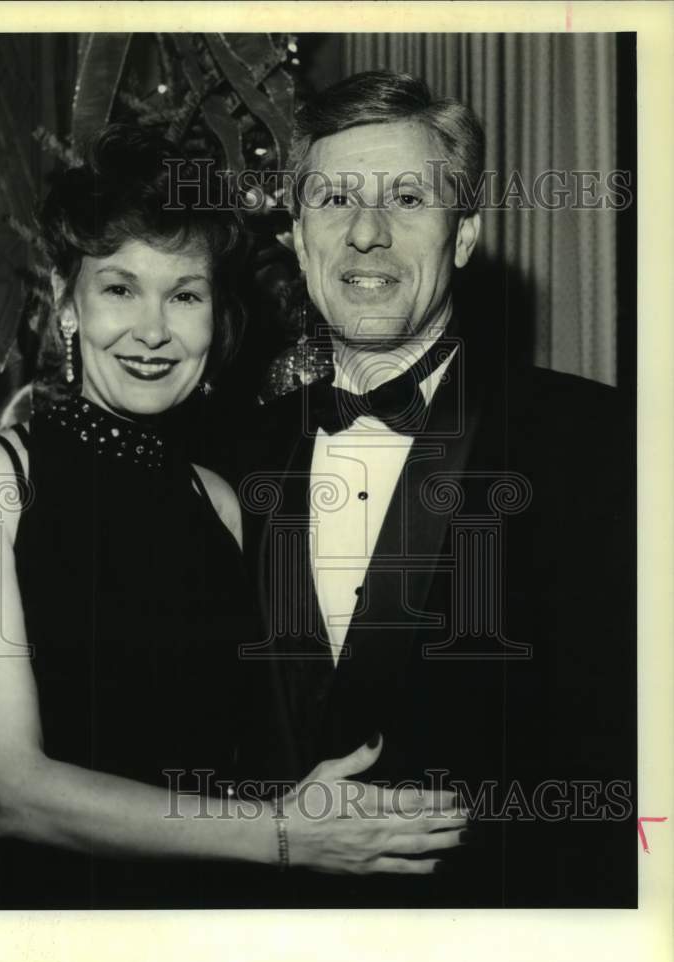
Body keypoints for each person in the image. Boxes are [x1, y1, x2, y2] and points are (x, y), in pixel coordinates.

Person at [0, 124, 468, 909]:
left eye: (184, 295)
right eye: (118, 288)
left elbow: (254, 740)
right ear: (65, 306)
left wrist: (305, 805)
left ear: (216, 319)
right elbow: (12, 793)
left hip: (202, 924)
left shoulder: (223, 500)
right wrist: (281, 836)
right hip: (32, 924)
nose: (151, 330)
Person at [230, 72, 636, 907]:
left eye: (407, 199)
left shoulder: (598, 442)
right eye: (333, 200)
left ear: (462, 236)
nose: (366, 234)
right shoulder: (229, 457)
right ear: (297, 237)